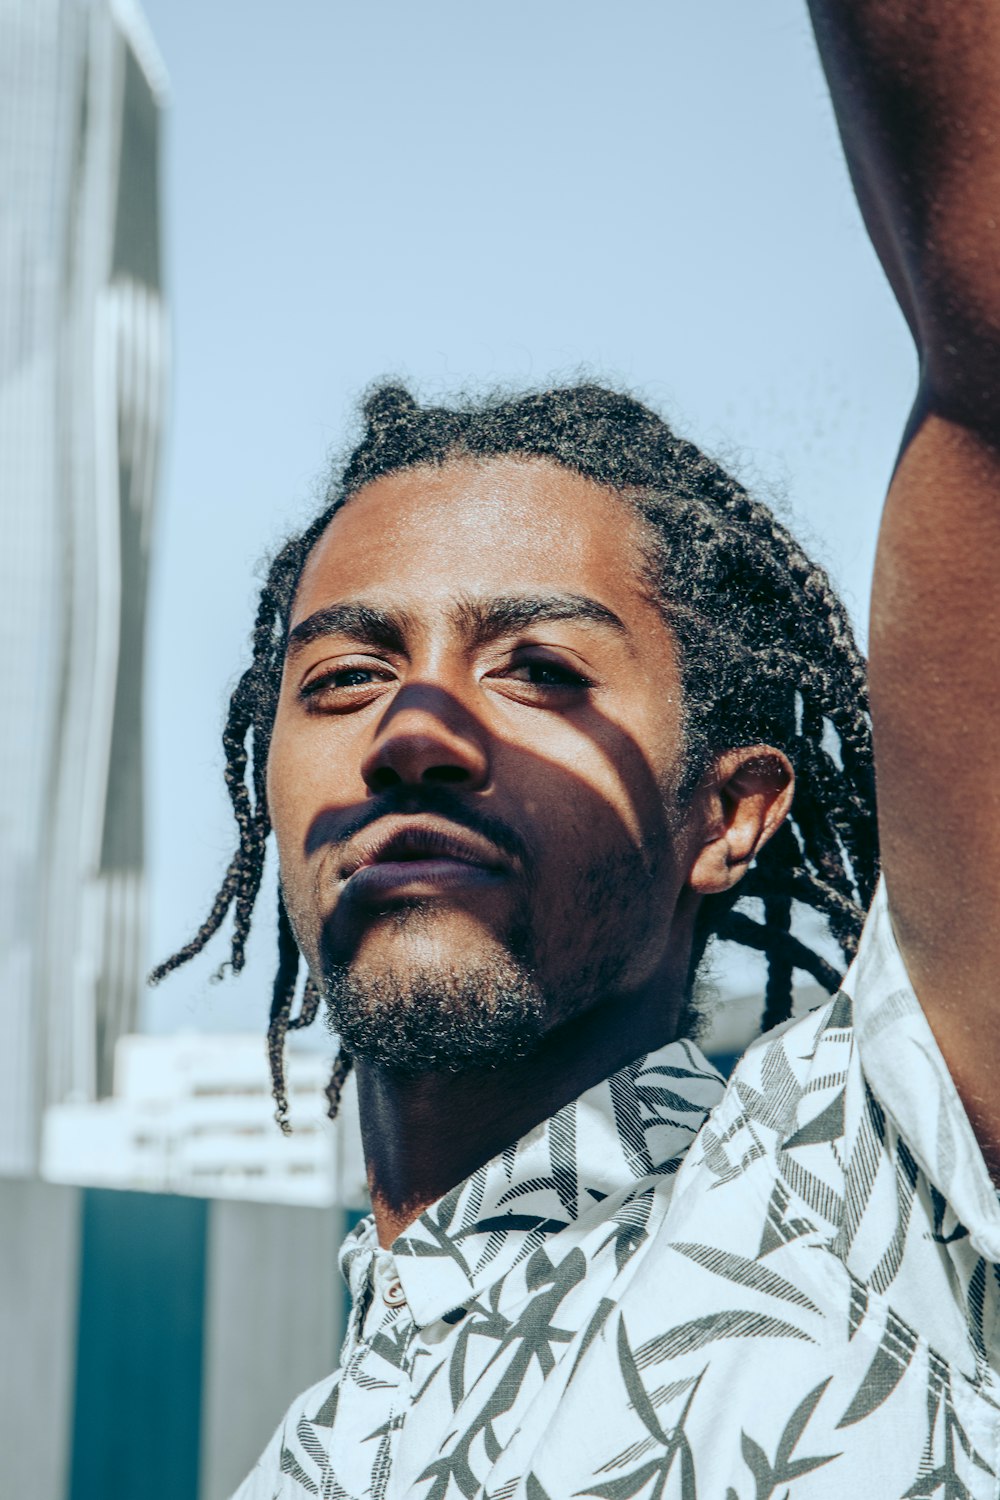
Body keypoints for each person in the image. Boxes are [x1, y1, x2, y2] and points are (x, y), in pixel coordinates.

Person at [152, 2, 1000, 1494]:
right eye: (344, 675)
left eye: (538, 667)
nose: (413, 729)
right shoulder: (300, 1464)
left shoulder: (880, 1168)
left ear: (729, 811)